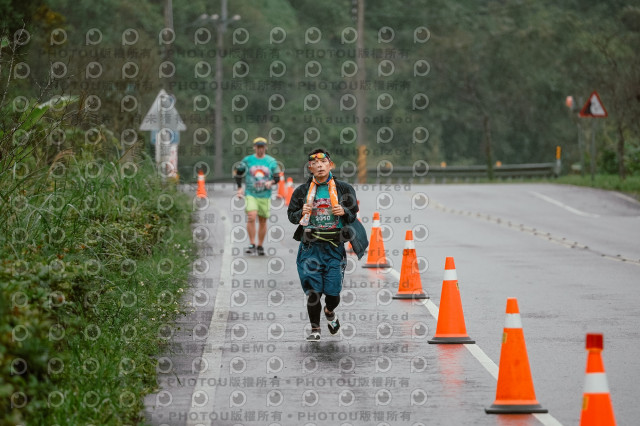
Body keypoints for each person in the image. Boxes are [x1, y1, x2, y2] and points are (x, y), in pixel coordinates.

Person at [287, 148, 368, 341]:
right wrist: (301, 212)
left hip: (334, 247)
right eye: (315, 163)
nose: (320, 166)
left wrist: (344, 211)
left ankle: (330, 311)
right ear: (310, 168)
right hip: (310, 248)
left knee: (333, 293)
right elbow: (291, 216)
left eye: (323, 162)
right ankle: (315, 330)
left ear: (330, 165)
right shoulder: (301, 191)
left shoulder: (344, 189)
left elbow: (353, 214)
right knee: (313, 293)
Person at [234, 137, 280, 256]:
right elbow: (238, 173)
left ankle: (260, 245)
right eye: (258, 147)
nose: (260, 149)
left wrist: (271, 182)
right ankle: (252, 243)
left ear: (265, 147)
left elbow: (277, 177)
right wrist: (239, 188)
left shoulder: (271, 161)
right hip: (251, 193)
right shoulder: (248, 160)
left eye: (262, 147)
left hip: (265, 195)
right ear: (254, 147)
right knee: (251, 216)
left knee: (262, 220)